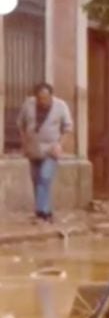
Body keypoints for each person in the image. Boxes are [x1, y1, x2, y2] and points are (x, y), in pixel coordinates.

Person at [18, 83, 73, 223]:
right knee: (36, 180)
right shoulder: (28, 105)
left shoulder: (61, 106)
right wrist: (24, 143)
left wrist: (60, 145)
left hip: (51, 149)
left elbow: (67, 128)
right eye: (40, 98)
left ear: (51, 96)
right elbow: (21, 124)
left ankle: (42, 212)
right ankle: (44, 211)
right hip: (33, 148)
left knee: (45, 177)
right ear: (36, 97)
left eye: (46, 98)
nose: (43, 101)